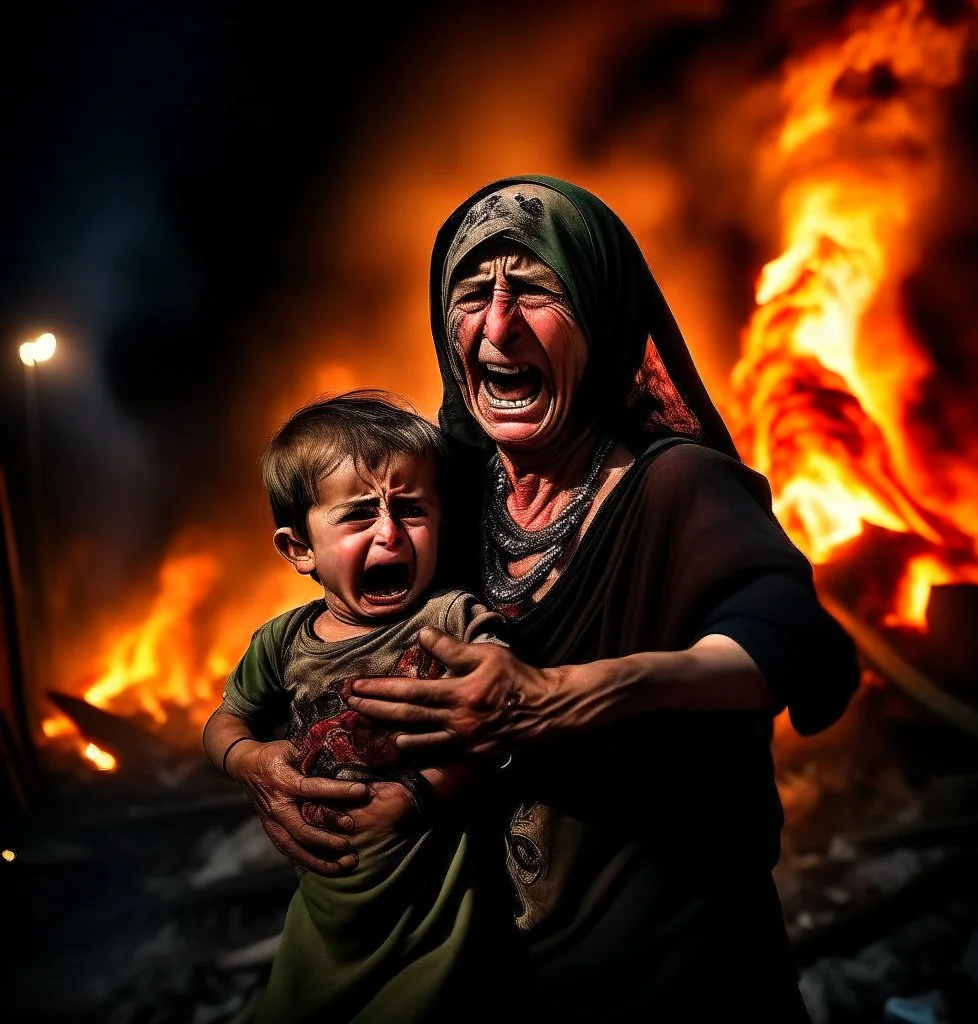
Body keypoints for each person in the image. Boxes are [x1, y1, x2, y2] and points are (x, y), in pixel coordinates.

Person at [227, 176, 863, 1022]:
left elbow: (794, 647)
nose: (497, 324)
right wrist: (258, 764)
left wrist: (559, 699)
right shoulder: (440, 500)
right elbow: (325, 653)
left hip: (676, 986)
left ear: (599, 319)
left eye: (534, 290)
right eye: (471, 295)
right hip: (483, 990)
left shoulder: (677, 487)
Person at [201, 391, 520, 1023]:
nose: (389, 532)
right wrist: (250, 760)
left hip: (431, 933)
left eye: (411, 509)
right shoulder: (283, 641)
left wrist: (422, 794)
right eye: (356, 517)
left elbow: (501, 714)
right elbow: (223, 721)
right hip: (322, 922)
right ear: (299, 550)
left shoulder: (449, 618)